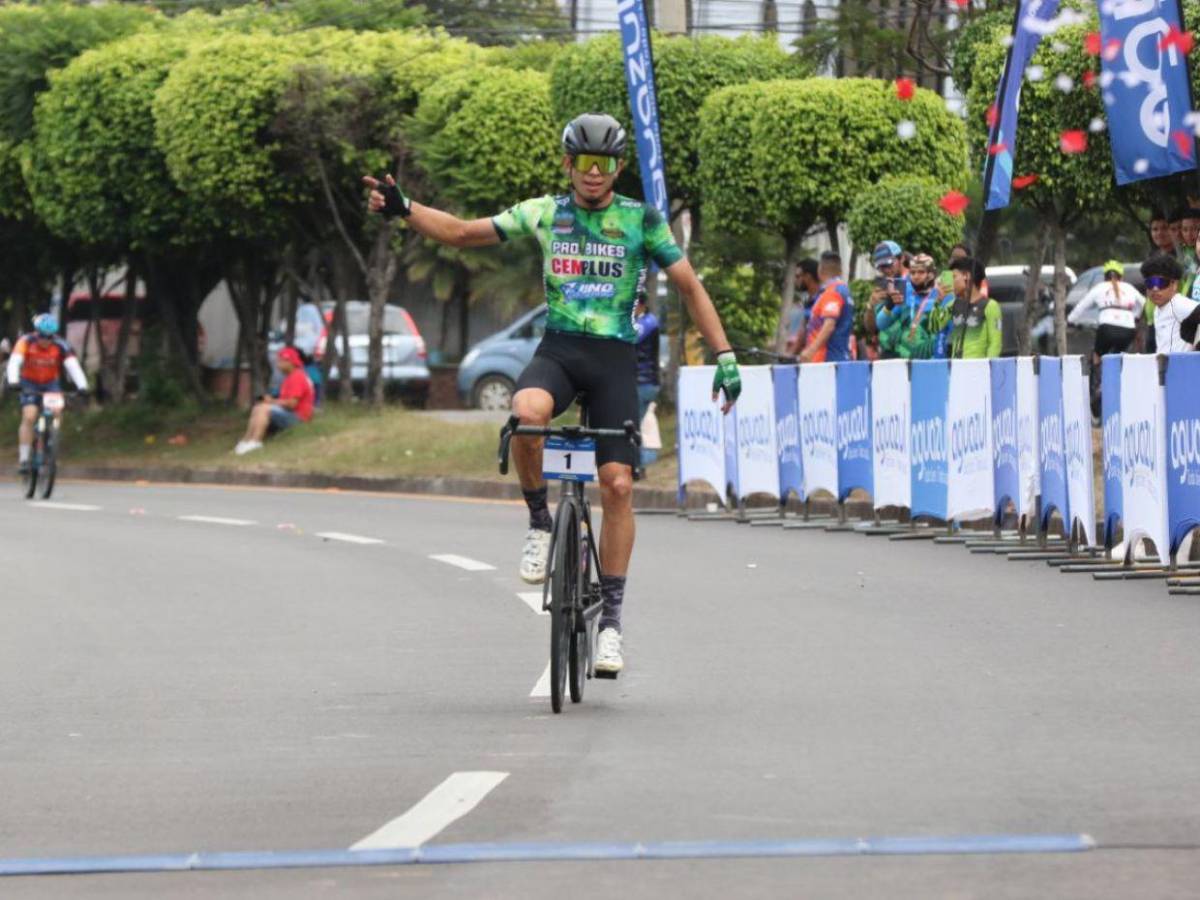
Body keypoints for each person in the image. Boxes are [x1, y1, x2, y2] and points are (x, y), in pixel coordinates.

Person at [364, 112, 740, 676]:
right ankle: (540, 522)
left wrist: (725, 354)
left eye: (605, 163)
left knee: (616, 485)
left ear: (616, 168)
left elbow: (689, 285)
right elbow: (465, 233)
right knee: (527, 412)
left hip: (613, 358)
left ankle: (611, 622)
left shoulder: (640, 219)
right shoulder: (546, 213)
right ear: (568, 165)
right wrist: (406, 210)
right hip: (560, 350)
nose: (594, 173)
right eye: (584, 163)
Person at [6, 313, 89, 473]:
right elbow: (15, 362)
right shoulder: (25, 342)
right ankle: (24, 459)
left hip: (51, 384)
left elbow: (73, 366)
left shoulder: (60, 345)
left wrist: (83, 386)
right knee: (29, 415)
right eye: (42, 336)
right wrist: (13, 381)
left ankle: (51, 447)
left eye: (49, 337)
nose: (45, 340)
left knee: (57, 411)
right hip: (29, 382)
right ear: (36, 333)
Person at [1069, 260, 1144, 418]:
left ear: (1105, 277)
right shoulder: (1129, 288)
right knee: (1120, 358)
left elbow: (1081, 306)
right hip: (1127, 330)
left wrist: (1071, 320)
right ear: (1121, 277)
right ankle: (1120, 389)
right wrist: (1135, 317)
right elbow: (1143, 303)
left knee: (1097, 356)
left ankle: (1098, 390)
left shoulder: (1100, 288)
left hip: (1106, 329)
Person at [234, 346, 314, 455]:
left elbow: (292, 404)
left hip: (298, 417)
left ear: (289, 362)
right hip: (290, 413)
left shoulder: (297, 377)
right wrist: (271, 401)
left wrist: (271, 402)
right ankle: (246, 440)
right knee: (258, 407)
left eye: (281, 361)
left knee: (264, 409)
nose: (278, 365)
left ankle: (255, 442)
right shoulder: (290, 377)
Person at [876, 253, 942, 359]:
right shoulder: (905, 293)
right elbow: (881, 324)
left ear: (931, 274)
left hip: (931, 361)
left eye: (921, 272)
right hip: (905, 363)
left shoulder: (940, 295)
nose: (916, 276)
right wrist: (889, 305)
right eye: (912, 272)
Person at [799, 251, 854, 363]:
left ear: (820, 270)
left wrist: (811, 350)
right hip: (839, 357)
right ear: (840, 271)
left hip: (827, 361)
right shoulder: (845, 291)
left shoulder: (832, 292)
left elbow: (829, 325)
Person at [1140, 254, 1198, 353]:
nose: (1155, 289)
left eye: (1160, 283)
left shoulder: (1178, 303)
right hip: (1166, 366)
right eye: (1150, 283)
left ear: (1174, 285)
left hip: (1182, 365)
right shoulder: (1157, 309)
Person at [947, 256, 1001, 359]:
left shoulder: (990, 306)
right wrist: (938, 300)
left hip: (978, 370)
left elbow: (995, 344)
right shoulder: (953, 304)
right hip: (956, 369)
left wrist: (986, 369)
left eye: (954, 277)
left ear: (966, 276)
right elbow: (934, 327)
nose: (951, 283)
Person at [633, 292, 659, 467]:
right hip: (637, 381)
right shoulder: (639, 321)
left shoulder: (648, 322)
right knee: (633, 422)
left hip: (645, 381)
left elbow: (630, 339)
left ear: (641, 304)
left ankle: (637, 464)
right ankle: (636, 463)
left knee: (633, 422)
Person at [784, 258, 819, 355]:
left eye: (798, 276)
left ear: (808, 277)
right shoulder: (807, 302)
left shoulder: (822, 300)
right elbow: (801, 333)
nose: (795, 280)